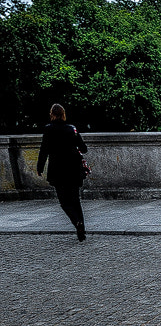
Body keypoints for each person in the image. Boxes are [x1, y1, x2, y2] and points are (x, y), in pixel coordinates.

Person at [37, 103, 88, 241]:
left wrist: (39, 167)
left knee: (64, 202)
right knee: (75, 200)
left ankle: (76, 221)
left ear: (52, 114)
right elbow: (83, 148)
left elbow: (44, 150)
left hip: (58, 170)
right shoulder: (72, 129)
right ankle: (81, 226)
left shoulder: (49, 130)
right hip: (74, 168)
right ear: (64, 114)